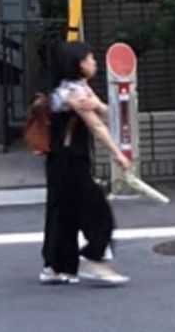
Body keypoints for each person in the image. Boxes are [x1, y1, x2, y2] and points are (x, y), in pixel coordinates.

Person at [40, 42, 130, 287]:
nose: (94, 62)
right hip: (69, 160)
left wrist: (97, 105)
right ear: (79, 63)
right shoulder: (75, 91)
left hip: (62, 159)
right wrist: (118, 154)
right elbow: (97, 126)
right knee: (98, 211)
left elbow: (105, 112)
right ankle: (93, 259)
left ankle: (56, 267)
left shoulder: (76, 87)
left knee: (64, 213)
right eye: (90, 58)